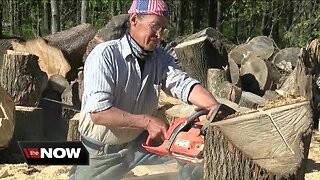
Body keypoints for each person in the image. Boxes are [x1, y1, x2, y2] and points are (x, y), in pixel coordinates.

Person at [71, 0, 220, 179]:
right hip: (102, 152)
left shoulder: (160, 58)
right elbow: (99, 113)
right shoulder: (105, 55)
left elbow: (182, 83)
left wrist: (212, 105)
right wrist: (147, 122)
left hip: (139, 144)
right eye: (155, 26)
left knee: (191, 159)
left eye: (164, 29)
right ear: (134, 20)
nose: (160, 34)